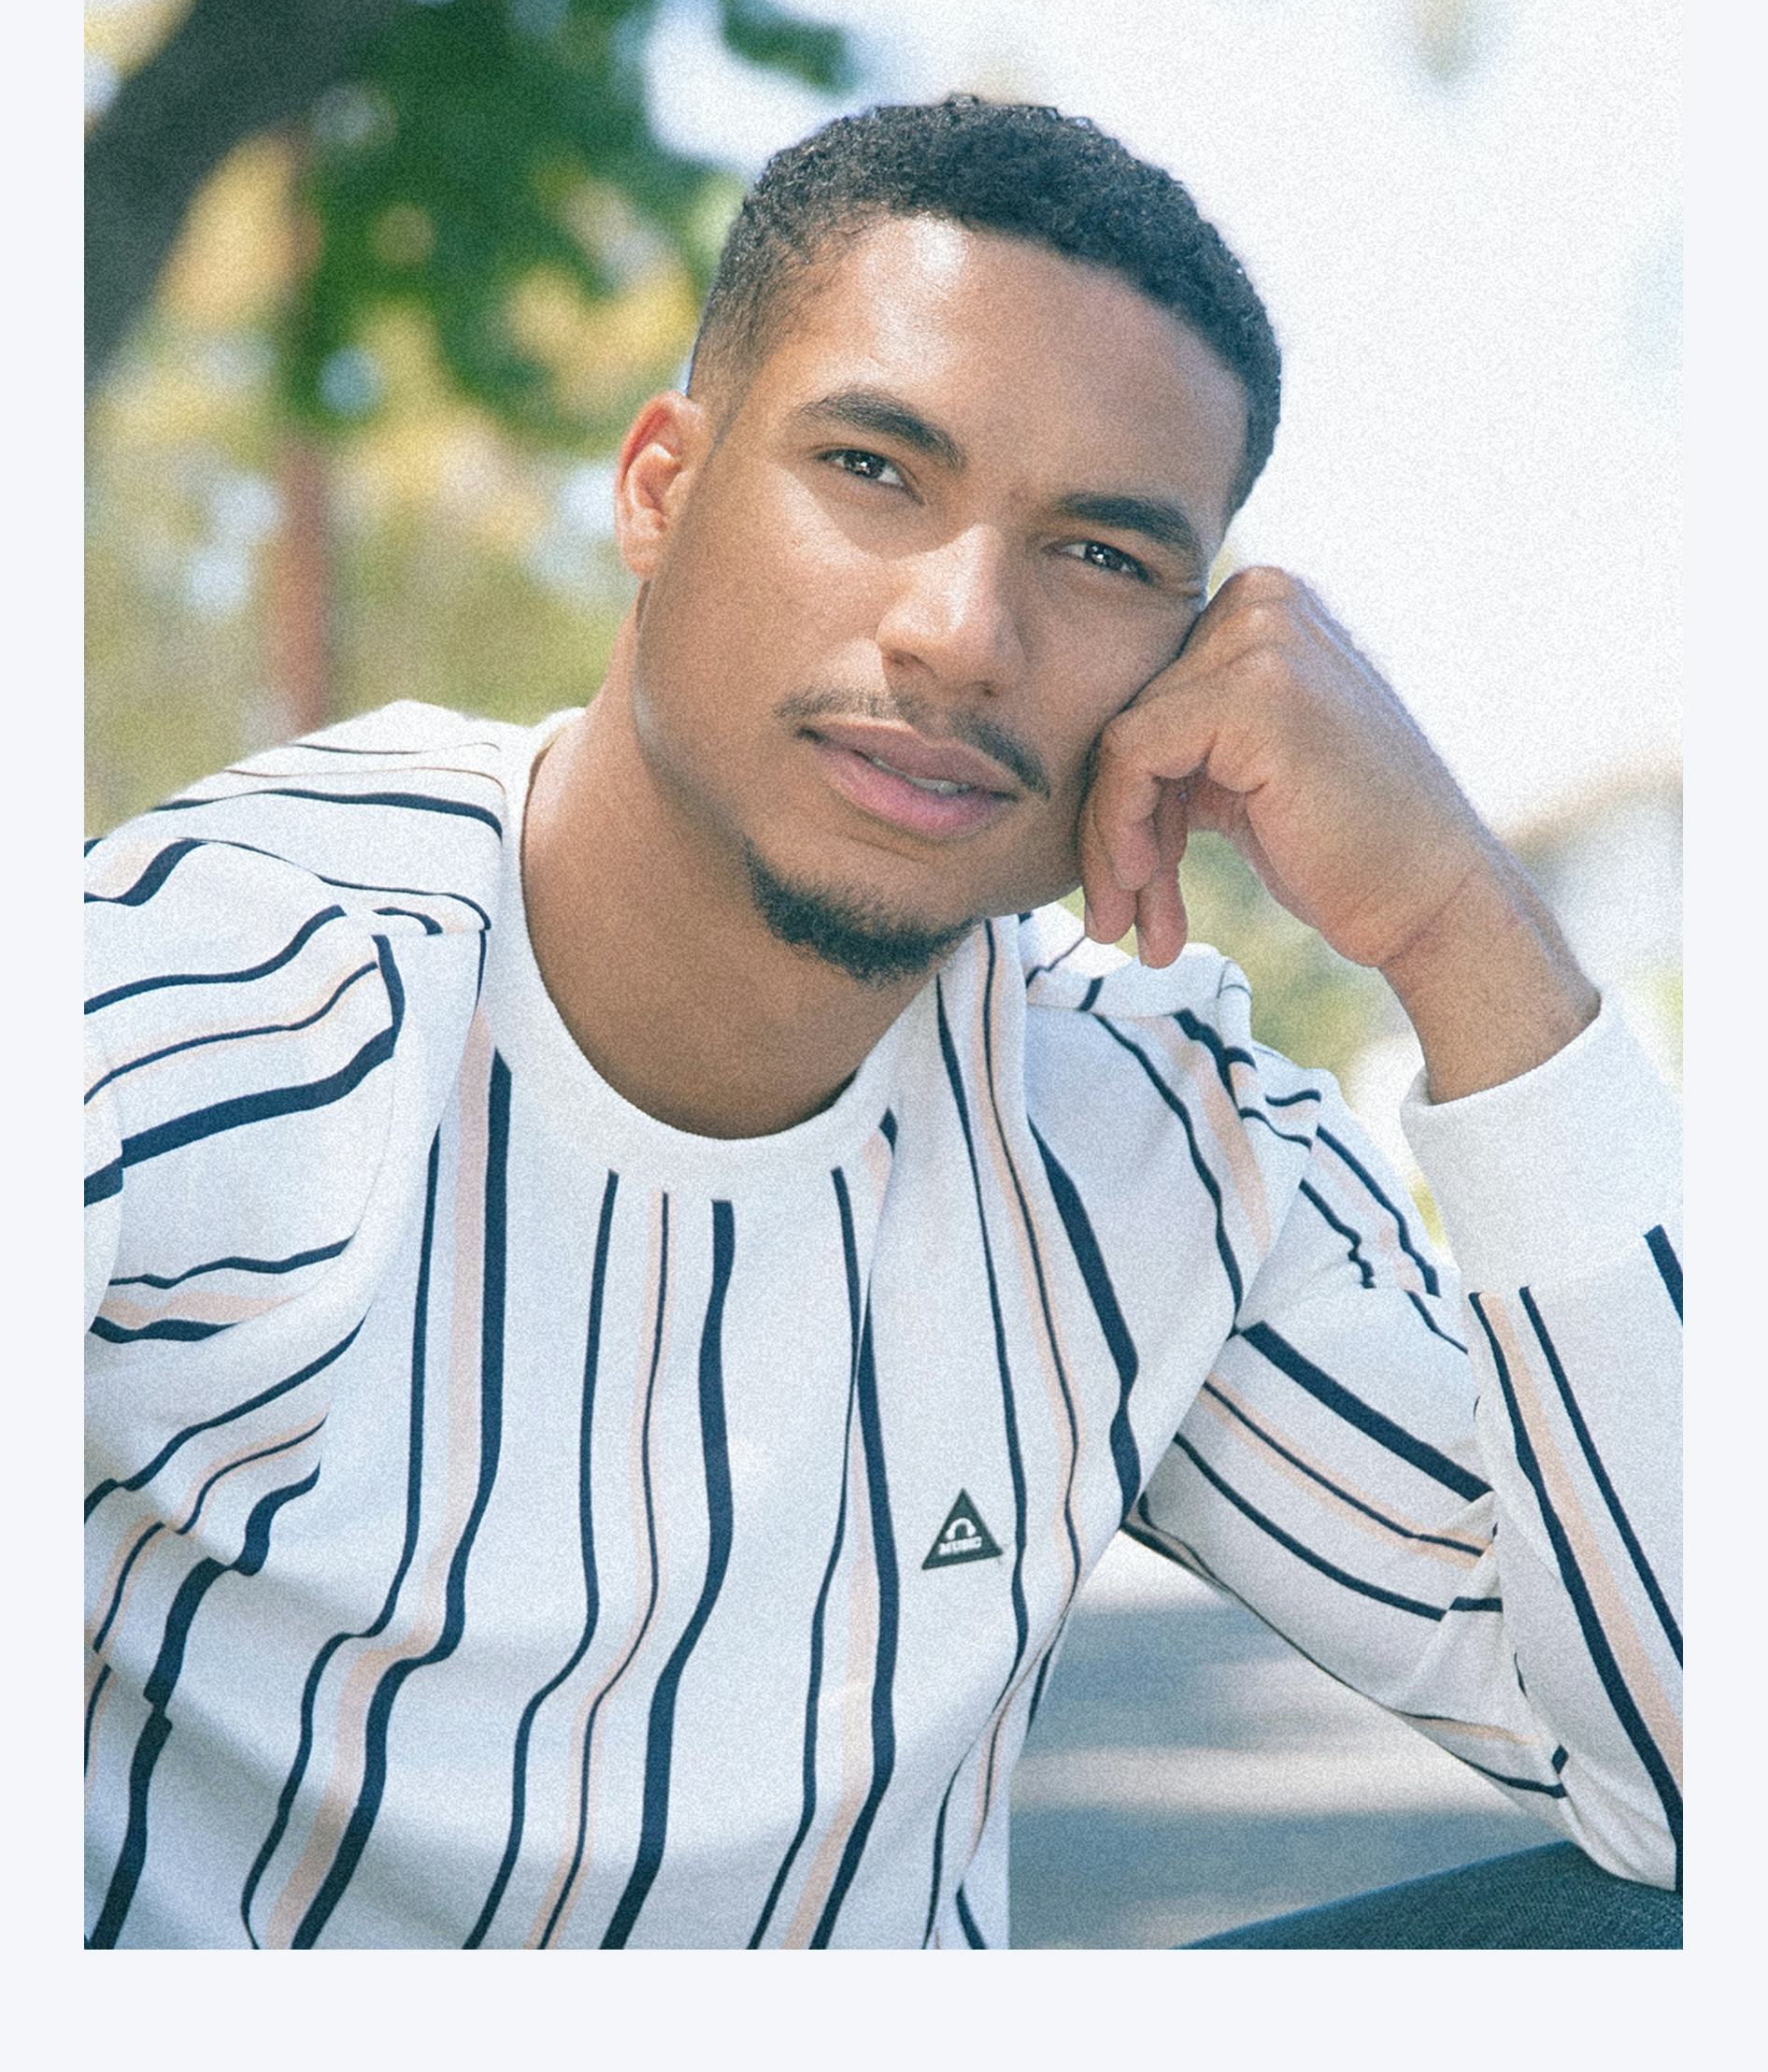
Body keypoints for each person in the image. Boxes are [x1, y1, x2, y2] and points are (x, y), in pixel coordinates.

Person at [83, 97, 1681, 1951]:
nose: (962, 629)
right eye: (872, 468)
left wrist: (1456, 928)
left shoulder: (1141, 1129)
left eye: (1098, 554)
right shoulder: (207, 1014)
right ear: (660, 488)